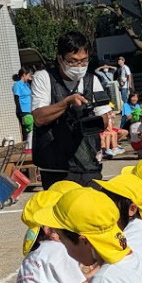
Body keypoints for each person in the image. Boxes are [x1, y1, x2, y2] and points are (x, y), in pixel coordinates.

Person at [31, 30, 107, 190]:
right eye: (73, 61)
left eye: (84, 61)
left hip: (87, 163)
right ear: (60, 59)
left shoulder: (92, 80)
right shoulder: (43, 78)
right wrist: (67, 103)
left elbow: (104, 118)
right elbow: (38, 117)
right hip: (55, 165)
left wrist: (90, 117)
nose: (79, 66)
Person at [12, 67, 33, 140]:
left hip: (29, 109)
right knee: (26, 129)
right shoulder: (17, 85)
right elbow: (16, 98)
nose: (29, 77)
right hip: (23, 110)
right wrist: (20, 111)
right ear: (24, 75)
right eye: (28, 75)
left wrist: (31, 81)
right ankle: (26, 146)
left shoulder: (26, 84)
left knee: (32, 129)